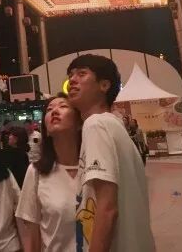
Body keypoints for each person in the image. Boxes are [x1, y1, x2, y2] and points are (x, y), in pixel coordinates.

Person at [67, 53, 156, 251]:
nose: (72, 80)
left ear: (104, 85)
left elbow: (107, 209)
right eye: (70, 75)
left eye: (81, 74)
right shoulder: (113, 125)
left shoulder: (96, 124)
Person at [16, 94, 82, 251]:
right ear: (45, 130)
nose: (55, 111)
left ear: (79, 122)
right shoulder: (36, 172)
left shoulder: (95, 167)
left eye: (63, 106)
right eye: (49, 110)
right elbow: (33, 236)